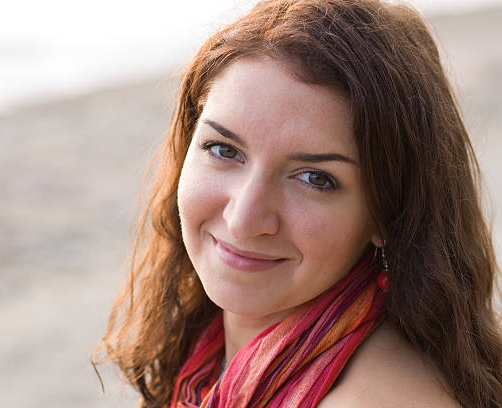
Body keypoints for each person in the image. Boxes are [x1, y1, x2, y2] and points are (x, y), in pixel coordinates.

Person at [94, 0, 502, 406]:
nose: (243, 219)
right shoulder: (205, 353)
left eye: (315, 178)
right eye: (223, 149)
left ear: (387, 212)